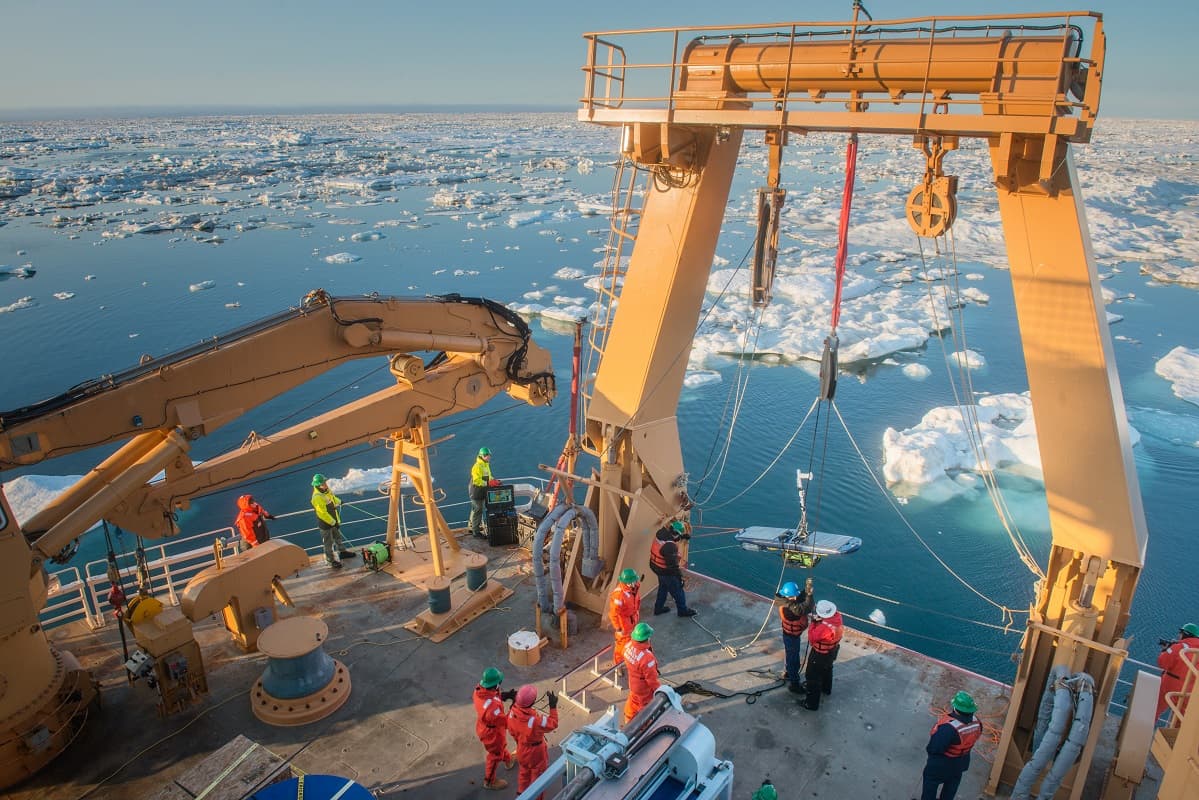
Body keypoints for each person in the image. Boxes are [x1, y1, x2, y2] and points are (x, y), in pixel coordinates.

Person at [921, 691, 982, 800]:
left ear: (955, 708)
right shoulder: (977, 723)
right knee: (951, 786)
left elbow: (934, 748)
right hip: (961, 762)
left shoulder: (948, 728)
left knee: (930, 784)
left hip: (942, 763)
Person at [507, 684, 558, 799]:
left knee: (524, 773)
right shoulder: (535, 721)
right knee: (538, 777)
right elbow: (553, 723)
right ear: (532, 701)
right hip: (536, 753)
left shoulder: (511, 713)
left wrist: (520, 743)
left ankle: (521, 795)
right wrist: (553, 706)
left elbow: (512, 732)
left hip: (521, 749)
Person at [473, 667, 516, 791]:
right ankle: (489, 781)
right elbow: (506, 722)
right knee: (495, 754)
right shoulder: (492, 709)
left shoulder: (479, 690)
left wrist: (503, 696)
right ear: (496, 684)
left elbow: (491, 696)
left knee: (501, 747)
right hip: (492, 734)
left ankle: (508, 760)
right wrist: (514, 705)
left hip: (486, 727)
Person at [801, 599, 843, 711]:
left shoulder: (824, 628)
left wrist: (813, 623)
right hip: (832, 651)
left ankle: (811, 704)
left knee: (812, 677)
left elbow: (812, 638)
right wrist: (821, 621)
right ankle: (826, 689)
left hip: (820, 654)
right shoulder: (837, 617)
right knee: (827, 670)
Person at [650, 520, 696, 617]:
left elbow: (670, 538)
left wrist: (682, 537)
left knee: (663, 587)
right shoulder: (670, 547)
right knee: (678, 591)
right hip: (665, 571)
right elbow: (673, 567)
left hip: (655, 567)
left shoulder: (660, 533)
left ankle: (658, 608)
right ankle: (682, 611)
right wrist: (680, 579)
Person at [310, 473, 355, 569]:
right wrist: (333, 522)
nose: (326, 484)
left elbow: (333, 498)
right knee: (328, 543)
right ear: (318, 485)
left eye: (325, 482)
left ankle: (342, 552)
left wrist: (339, 501)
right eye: (323, 482)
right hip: (326, 524)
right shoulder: (317, 497)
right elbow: (322, 513)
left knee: (337, 537)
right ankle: (331, 561)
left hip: (333, 520)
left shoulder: (326, 491)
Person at [776, 580, 812, 694]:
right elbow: (805, 608)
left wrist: (806, 591)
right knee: (794, 660)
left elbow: (799, 601)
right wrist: (809, 595)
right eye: (794, 596)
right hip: (792, 637)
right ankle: (794, 684)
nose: (796, 597)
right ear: (790, 597)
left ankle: (787, 673)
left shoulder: (784, 603)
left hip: (788, 634)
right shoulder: (792, 612)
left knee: (789, 655)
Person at [1157, 622, 1199, 719]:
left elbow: (1162, 662)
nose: (1178, 635)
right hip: (1189, 690)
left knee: (1154, 710)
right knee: (1181, 717)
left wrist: (1165, 650)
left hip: (1169, 685)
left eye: (1180, 633)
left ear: (1185, 634)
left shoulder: (1178, 647)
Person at [623, 622, 661, 724]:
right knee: (644, 706)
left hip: (633, 682)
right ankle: (644, 727)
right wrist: (659, 689)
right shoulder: (647, 658)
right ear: (647, 638)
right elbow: (651, 680)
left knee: (633, 701)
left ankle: (628, 719)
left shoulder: (628, 646)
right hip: (643, 687)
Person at [608, 568, 641, 668]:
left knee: (632, 642)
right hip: (624, 625)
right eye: (634, 581)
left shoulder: (634, 589)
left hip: (633, 620)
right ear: (628, 582)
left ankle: (629, 659)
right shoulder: (619, 595)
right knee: (621, 645)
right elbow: (613, 613)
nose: (636, 582)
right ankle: (618, 665)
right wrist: (618, 628)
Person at [468, 446, 497, 539]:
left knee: (475, 509)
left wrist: (494, 480)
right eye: (487, 455)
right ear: (482, 456)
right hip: (476, 491)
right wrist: (488, 483)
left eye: (489, 455)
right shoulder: (477, 466)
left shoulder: (485, 464)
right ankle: (476, 532)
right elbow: (476, 481)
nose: (489, 457)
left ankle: (471, 527)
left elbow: (488, 476)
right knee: (478, 510)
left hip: (481, 490)